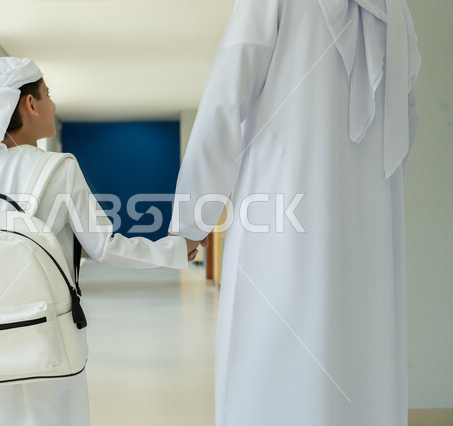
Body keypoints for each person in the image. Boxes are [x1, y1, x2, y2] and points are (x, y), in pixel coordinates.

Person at [168, 0, 420, 424]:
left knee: (272, 347)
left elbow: (226, 97)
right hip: (371, 216)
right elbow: (405, 122)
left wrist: (194, 217)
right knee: (363, 357)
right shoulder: (396, 10)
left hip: (282, 209)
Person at [0, 57, 205, 426]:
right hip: (49, 337)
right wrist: (175, 249)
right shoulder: (59, 169)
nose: (53, 103)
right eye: (47, 94)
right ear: (30, 104)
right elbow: (105, 246)